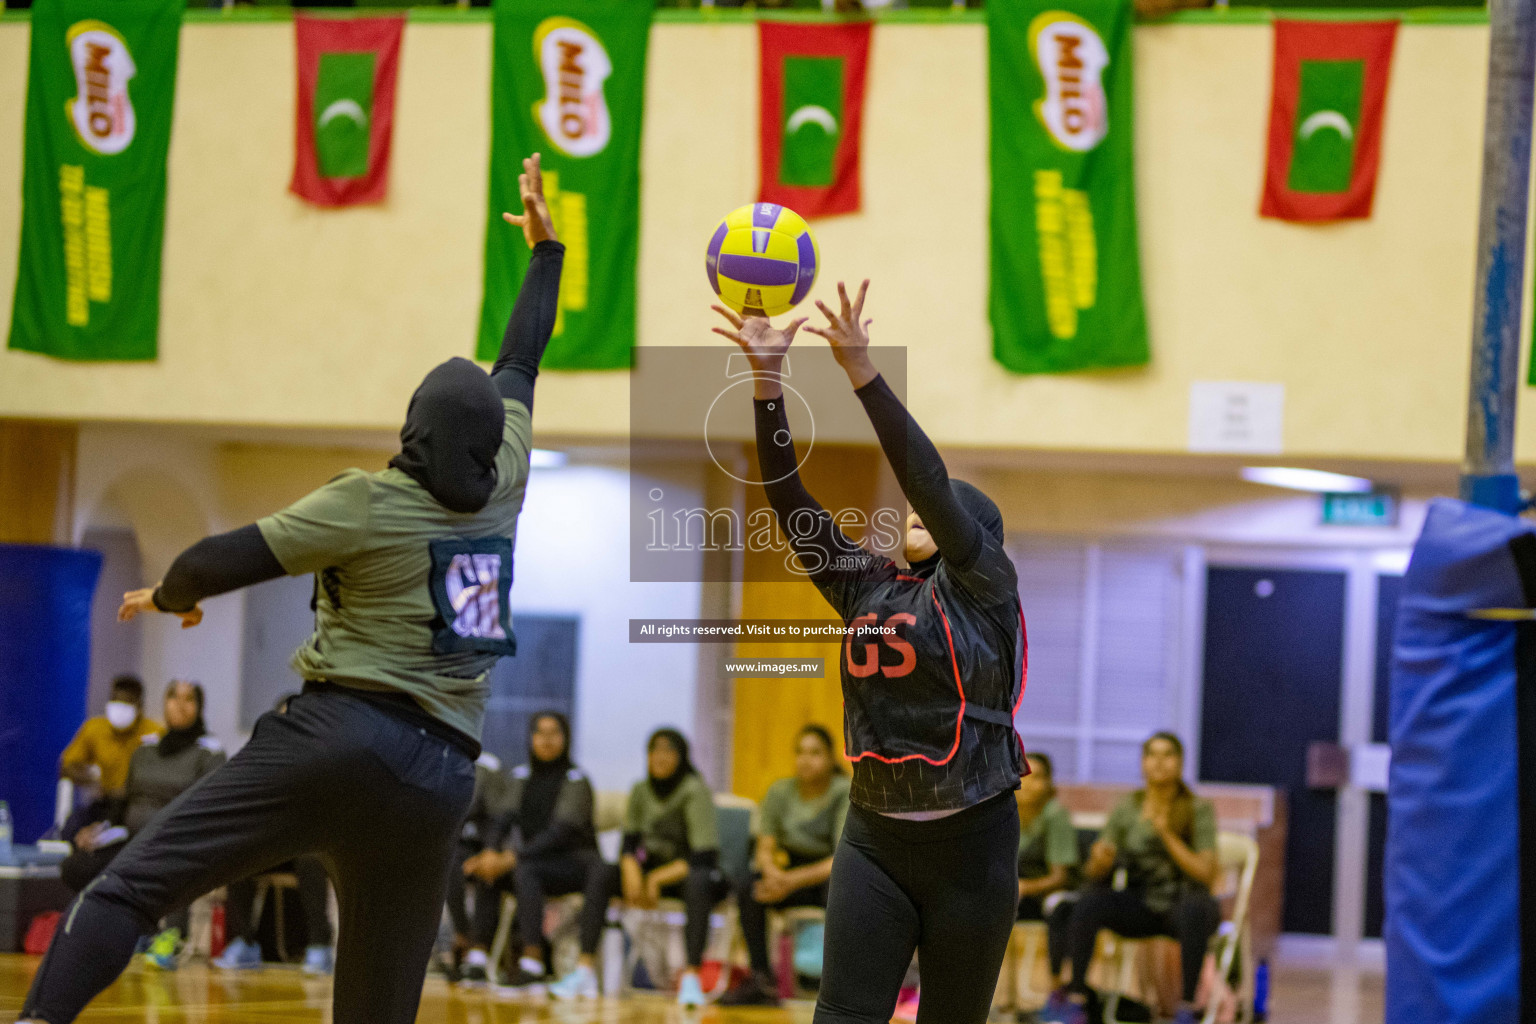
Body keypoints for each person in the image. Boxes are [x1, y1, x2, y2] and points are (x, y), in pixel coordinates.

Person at [14, 152, 563, 1024]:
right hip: (441, 777)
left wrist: (168, 595)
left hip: (341, 737)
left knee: (126, 889)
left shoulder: (370, 500)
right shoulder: (506, 481)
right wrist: (548, 250)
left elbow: (222, 558)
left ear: (412, 431)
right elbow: (522, 361)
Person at [712, 279, 1027, 1024]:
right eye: (916, 511)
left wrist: (862, 373)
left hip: (972, 847)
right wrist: (767, 385)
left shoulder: (987, 584)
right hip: (876, 838)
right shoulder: (868, 588)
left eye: (942, 509)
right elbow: (791, 503)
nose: (921, 509)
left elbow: (926, 477)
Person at [1050, 733, 1221, 1024]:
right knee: (1089, 902)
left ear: (1180, 763)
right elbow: (1094, 872)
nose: (1159, 763)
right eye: (1152, 755)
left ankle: (1188, 1008)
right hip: (1142, 902)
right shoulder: (1127, 807)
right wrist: (1100, 861)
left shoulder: (1197, 808)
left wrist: (1166, 834)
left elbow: (1206, 873)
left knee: (1194, 909)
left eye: (1168, 755)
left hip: (1185, 903)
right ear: (1142, 763)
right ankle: (1076, 999)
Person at [59, 680, 225, 970]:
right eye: (173, 697)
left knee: (173, 859)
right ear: (164, 702)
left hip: (178, 837)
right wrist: (100, 828)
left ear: (199, 707)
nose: (179, 705)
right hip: (133, 834)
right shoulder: (146, 748)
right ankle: (112, 930)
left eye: (189, 699)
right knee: (78, 864)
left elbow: (209, 804)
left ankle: (169, 935)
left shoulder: (209, 751)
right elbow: (126, 798)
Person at [459, 712, 606, 996]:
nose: (546, 740)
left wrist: (512, 858)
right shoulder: (521, 776)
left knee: (524, 870)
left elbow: (560, 832)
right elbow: (502, 818)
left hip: (573, 864)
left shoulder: (576, 780)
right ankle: (477, 956)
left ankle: (533, 961)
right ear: (531, 738)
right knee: (488, 870)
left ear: (565, 738)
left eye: (554, 733)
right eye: (540, 733)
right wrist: (491, 852)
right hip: (532, 862)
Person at [721, 723, 851, 1007]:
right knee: (749, 887)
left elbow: (841, 858)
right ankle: (760, 979)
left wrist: (788, 882)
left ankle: (833, 983)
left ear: (831, 758)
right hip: (788, 874)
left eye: (815, 753)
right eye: (800, 752)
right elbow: (764, 847)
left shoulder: (843, 791)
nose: (806, 759)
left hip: (827, 874)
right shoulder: (780, 791)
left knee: (841, 887)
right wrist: (772, 874)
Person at [612, 728, 728, 1008]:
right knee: (602, 872)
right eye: (654, 750)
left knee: (698, 882)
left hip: (690, 874)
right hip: (652, 873)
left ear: (681, 756)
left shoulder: (694, 789)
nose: (660, 757)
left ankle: (691, 976)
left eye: (668, 751)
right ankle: (585, 969)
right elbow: (628, 844)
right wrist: (629, 866)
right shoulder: (640, 789)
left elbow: (704, 855)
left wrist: (656, 879)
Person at [1007, 752, 1079, 1018]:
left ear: (1049, 784)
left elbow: (1061, 876)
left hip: (1047, 896)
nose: (1028, 782)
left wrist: (1024, 887)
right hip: (1012, 893)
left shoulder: (1055, 815)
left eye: (1037, 777)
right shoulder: (1003, 811)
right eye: (1023, 775)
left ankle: (1055, 997)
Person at [442, 751, 515, 984]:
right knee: (449, 862)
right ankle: (464, 937)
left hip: (491, 845)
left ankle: (478, 951)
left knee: (487, 868)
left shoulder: (489, 766)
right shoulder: (440, 756)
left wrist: (492, 851)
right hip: (455, 845)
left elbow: (500, 819)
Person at [214, 856, 334, 975]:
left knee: (310, 855)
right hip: (270, 849)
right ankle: (245, 941)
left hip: (300, 852)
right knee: (239, 855)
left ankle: (319, 945)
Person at [59, 675, 163, 801]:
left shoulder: (154, 732)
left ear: (140, 707)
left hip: (139, 802)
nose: (119, 707)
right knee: (76, 820)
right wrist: (92, 779)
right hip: (104, 800)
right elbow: (66, 767)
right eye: (115, 700)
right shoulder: (95, 728)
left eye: (126, 702)